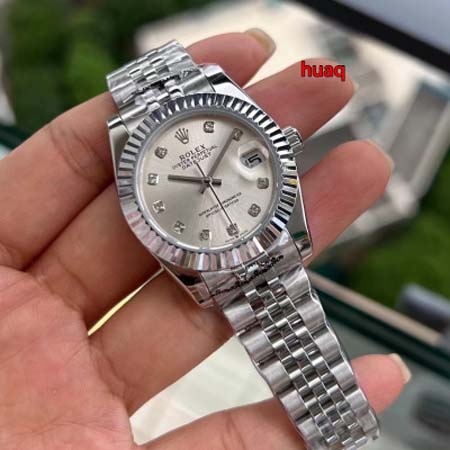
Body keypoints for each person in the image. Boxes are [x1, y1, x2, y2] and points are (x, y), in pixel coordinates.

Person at [0, 30, 410, 449]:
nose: (206, 181)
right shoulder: (135, 159)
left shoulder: (212, 98)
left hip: (258, 243)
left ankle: (339, 427)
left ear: (280, 146)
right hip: (223, 264)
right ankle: (338, 430)